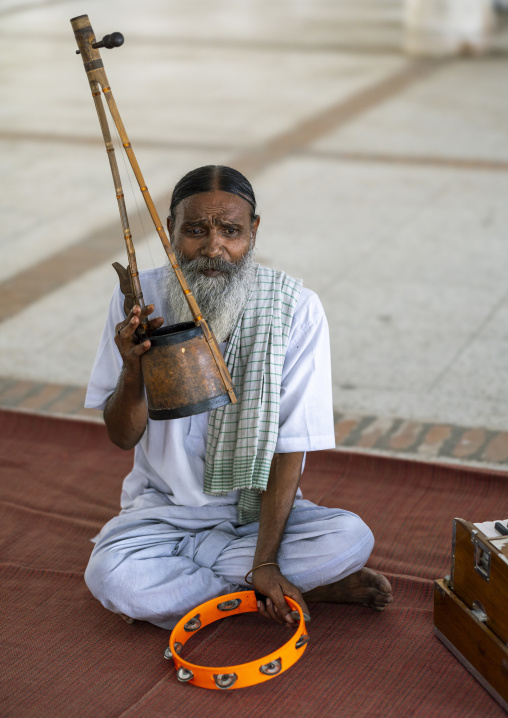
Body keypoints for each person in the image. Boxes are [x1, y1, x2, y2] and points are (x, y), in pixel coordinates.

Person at [84, 165, 392, 630]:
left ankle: (229, 583)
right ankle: (285, 587)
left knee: (349, 538)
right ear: (170, 231)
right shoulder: (139, 299)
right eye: (194, 230)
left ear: (254, 231)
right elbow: (122, 436)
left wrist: (266, 558)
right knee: (112, 579)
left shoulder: (295, 309)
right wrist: (132, 367)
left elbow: (290, 447)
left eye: (231, 231)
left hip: (259, 514)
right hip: (164, 513)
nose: (213, 248)